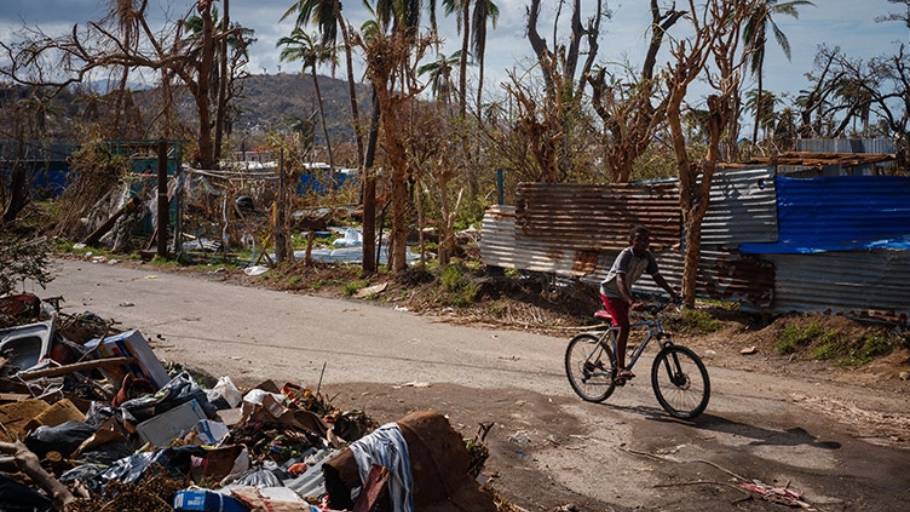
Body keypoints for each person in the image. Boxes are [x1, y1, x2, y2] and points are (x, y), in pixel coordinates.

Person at [600, 226, 679, 379]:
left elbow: (657, 277)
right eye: (638, 240)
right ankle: (620, 369)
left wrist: (673, 294)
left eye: (645, 240)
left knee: (620, 327)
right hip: (611, 293)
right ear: (631, 241)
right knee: (624, 326)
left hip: (625, 294)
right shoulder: (626, 255)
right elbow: (620, 280)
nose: (642, 243)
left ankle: (615, 362)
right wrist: (630, 301)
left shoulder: (647, 257)